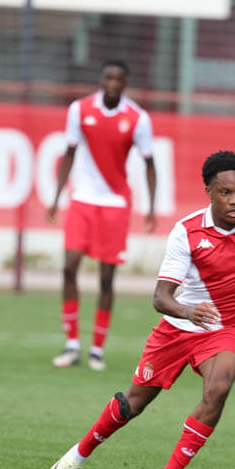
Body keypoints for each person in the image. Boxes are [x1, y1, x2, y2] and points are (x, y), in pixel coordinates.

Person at [43, 150, 235, 469]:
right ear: (208, 192)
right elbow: (160, 298)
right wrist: (189, 311)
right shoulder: (187, 232)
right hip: (176, 330)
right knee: (133, 403)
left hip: (226, 330)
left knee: (218, 389)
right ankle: (77, 456)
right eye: (225, 193)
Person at [46, 60, 157, 371]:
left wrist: (150, 207)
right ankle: (72, 345)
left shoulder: (137, 118)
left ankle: (97, 349)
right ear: (101, 80)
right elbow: (69, 153)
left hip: (115, 203)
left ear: (125, 83)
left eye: (118, 79)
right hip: (82, 199)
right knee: (69, 267)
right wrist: (56, 197)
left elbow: (150, 163)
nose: (112, 83)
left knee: (107, 278)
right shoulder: (79, 110)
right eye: (108, 77)